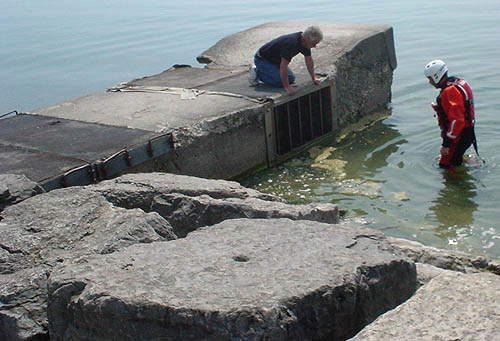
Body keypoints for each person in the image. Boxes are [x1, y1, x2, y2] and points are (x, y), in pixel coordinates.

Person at [424, 59, 478, 169]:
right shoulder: (459, 82)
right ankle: (470, 162)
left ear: (436, 76)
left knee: (445, 166)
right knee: (456, 156)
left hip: (459, 135)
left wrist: (446, 145)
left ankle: (455, 184)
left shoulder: (450, 91)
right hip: (467, 133)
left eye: (430, 79)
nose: (430, 82)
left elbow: (457, 121)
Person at [248, 26, 323, 95]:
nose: (315, 46)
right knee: (279, 82)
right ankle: (257, 72)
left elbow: (309, 60)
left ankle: (264, 71)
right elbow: (283, 66)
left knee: (291, 78)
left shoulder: (305, 44)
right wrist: (287, 87)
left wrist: (313, 78)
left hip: (276, 61)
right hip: (263, 59)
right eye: (314, 43)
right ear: (307, 38)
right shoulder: (292, 43)